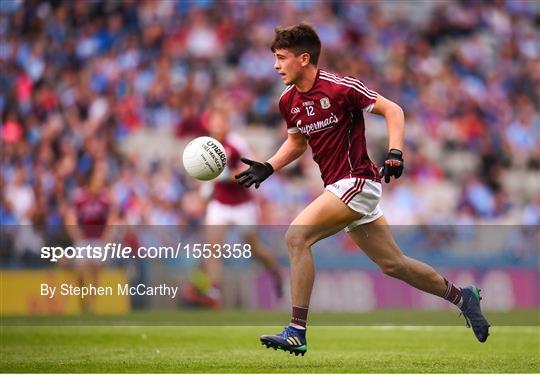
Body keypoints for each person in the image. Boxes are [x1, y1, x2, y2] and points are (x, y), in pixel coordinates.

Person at [234, 23, 490, 356]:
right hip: (341, 188)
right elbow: (296, 143)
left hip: (357, 181)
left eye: (282, 58)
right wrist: (269, 165)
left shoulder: (341, 87)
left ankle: (297, 330)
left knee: (296, 237)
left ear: (304, 58)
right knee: (394, 264)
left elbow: (393, 110)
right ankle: (462, 297)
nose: (276, 65)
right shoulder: (289, 101)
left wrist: (395, 152)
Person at [181, 106, 283, 309]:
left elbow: (250, 169)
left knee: (254, 249)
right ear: (209, 124)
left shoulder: (236, 144)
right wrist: (203, 195)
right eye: (214, 122)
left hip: (242, 204)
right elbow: (206, 176)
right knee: (212, 246)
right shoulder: (206, 145)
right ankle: (213, 291)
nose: (217, 126)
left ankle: (275, 271)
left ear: (227, 124)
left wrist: (227, 175)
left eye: (221, 122)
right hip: (220, 203)